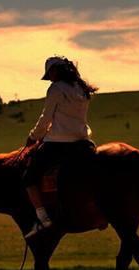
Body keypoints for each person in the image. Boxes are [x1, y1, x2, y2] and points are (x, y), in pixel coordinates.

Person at [23, 56, 98, 239]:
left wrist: (33, 136)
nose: (50, 77)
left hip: (58, 143)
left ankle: (43, 218)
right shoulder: (81, 88)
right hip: (82, 141)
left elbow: (46, 118)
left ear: (56, 71)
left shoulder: (55, 89)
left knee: (28, 177)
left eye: (50, 73)